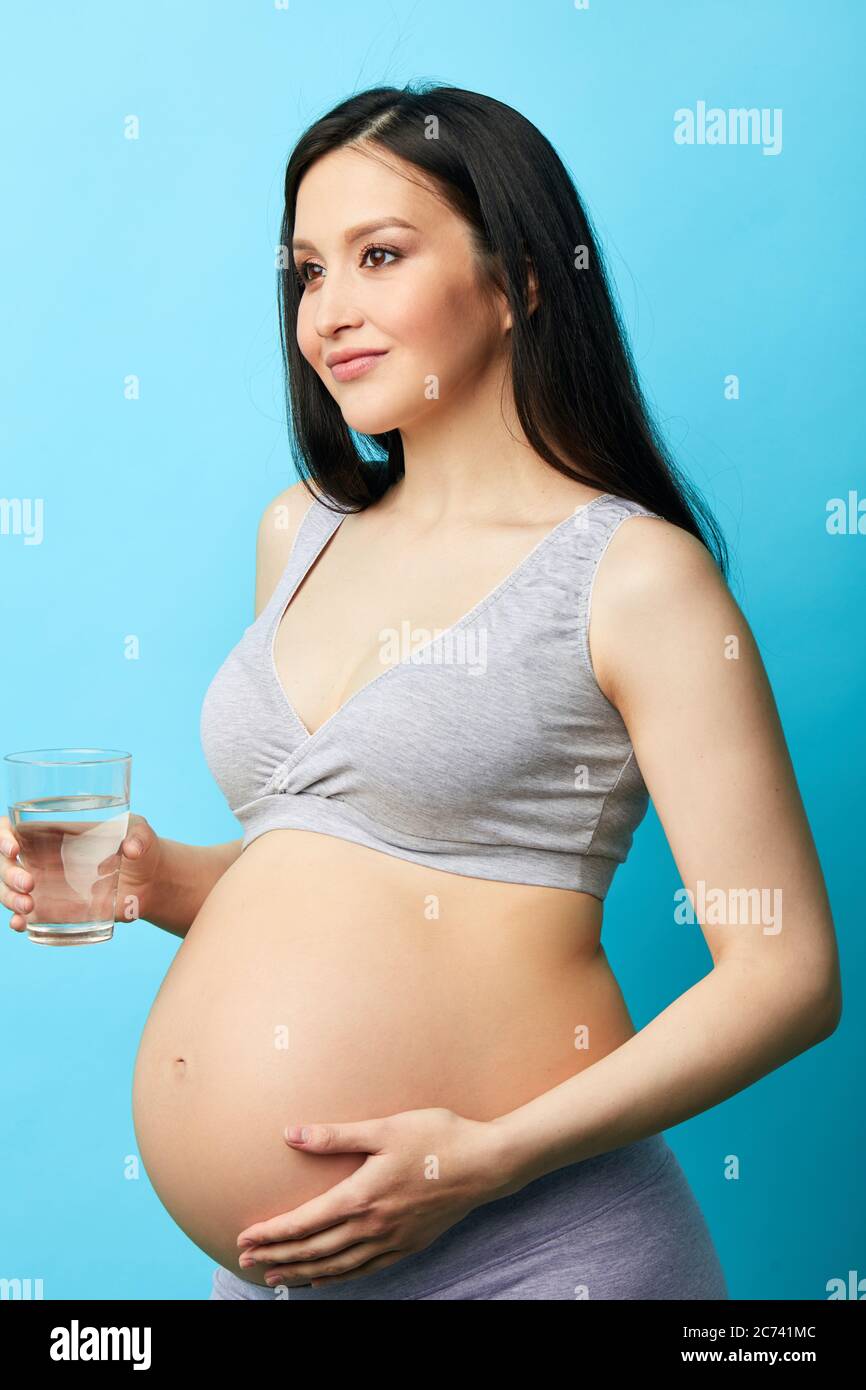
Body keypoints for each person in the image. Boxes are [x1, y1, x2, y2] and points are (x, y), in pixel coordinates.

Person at [2, 83, 841, 1301]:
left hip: (534, 1252)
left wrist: (486, 1160)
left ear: (519, 283)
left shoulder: (630, 577)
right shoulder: (297, 533)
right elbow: (355, 868)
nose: (327, 312)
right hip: (284, 1276)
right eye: (305, 272)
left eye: (378, 257)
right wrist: (157, 877)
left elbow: (788, 976)